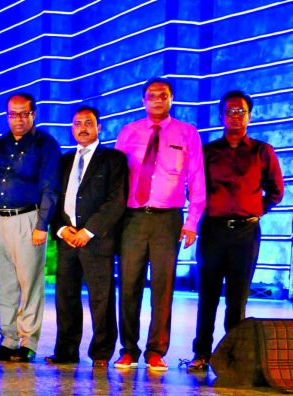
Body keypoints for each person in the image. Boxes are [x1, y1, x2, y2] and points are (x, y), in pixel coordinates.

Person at [185, 91, 283, 371]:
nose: (235, 116)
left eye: (241, 111)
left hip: (246, 234)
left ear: (249, 116)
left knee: (237, 298)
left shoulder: (262, 151)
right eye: (230, 111)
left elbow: (276, 191)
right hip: (213, 231)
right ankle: (201, 353)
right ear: (220, 116)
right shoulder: (208, 152)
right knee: (207, 295)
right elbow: (195, 189)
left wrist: (254, 209)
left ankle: (233, 357)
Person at [113, 77, 205, 371]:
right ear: (143, 100)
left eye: (163, 95)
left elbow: (197, 181)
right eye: (151, 95)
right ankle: (128, 349)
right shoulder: (129, 132)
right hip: (132, 219)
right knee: (128, 285)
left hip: (168, 220)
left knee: (163, 288)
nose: (157, 99)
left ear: (171, 99)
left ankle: (156, 350)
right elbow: (117, 178)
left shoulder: (187, 133)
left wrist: (191, 222)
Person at [46, 106, 126, 368]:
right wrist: (61, 229)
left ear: (99, 127)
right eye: (78, 123)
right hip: (67, 239)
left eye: (88, 123)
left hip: (96, 240)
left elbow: (116, 201)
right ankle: (66, 351)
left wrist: (88, 231)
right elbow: (54, 199)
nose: (83, 127)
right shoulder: (64, 161)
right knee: (65, 297)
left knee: (101, 298)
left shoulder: (113, 159)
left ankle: (101, 353)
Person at [0, 92, 60, 363]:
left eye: (22, 114)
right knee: (4, 285)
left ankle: (28, 342)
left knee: (30, 285)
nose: (17, 119)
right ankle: (8, 340)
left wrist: (42, 224)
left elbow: (51, 186)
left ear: (33, 114)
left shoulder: (46, 144)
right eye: (12, 114)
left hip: (28, 221)